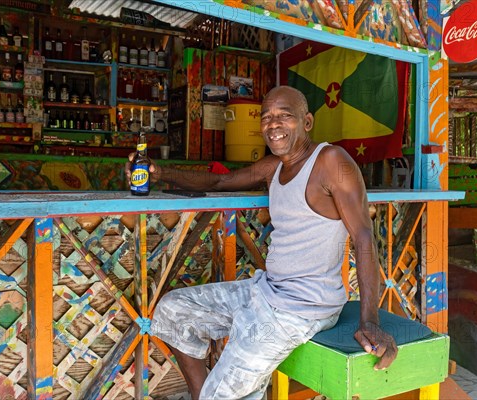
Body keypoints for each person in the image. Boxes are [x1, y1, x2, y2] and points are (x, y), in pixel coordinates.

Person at [126, 86, 398, 399]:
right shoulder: (274, 167)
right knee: (173, 310)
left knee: (221, 394)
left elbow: (363, 236)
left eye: (285, 116)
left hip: (301, 309)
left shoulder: (331, 162)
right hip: (264, 290)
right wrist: (160, 173)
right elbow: (220, 181)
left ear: (307, 122)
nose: (273, 124)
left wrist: (370, 321)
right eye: (266, 117)